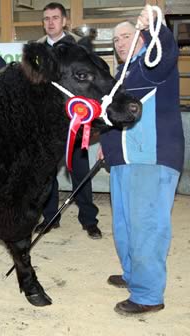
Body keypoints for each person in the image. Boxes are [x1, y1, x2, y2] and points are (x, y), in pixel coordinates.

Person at [98, 5, 184, 315]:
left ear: (141, 39)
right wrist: (106, 144)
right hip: (125, 160)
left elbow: (166, 51)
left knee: (146, 225)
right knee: (125, 225)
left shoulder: (152, 64)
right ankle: (134, 275)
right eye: (116, 40)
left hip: (150, 157)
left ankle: (148, 295)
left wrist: (153, 25)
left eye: (126, 36)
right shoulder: (123, 73)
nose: (120, 43)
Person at [36, 2, 101, 239]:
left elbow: (91, 80)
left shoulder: (79, 46)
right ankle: (50, 217)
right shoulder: (37, 50)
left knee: (80, 170)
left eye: (55, 17)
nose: (50, 22)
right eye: (46, 18)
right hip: (47, 123)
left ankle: (89, 219)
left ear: (64, 21)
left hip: (76, 118)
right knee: (47, 173)